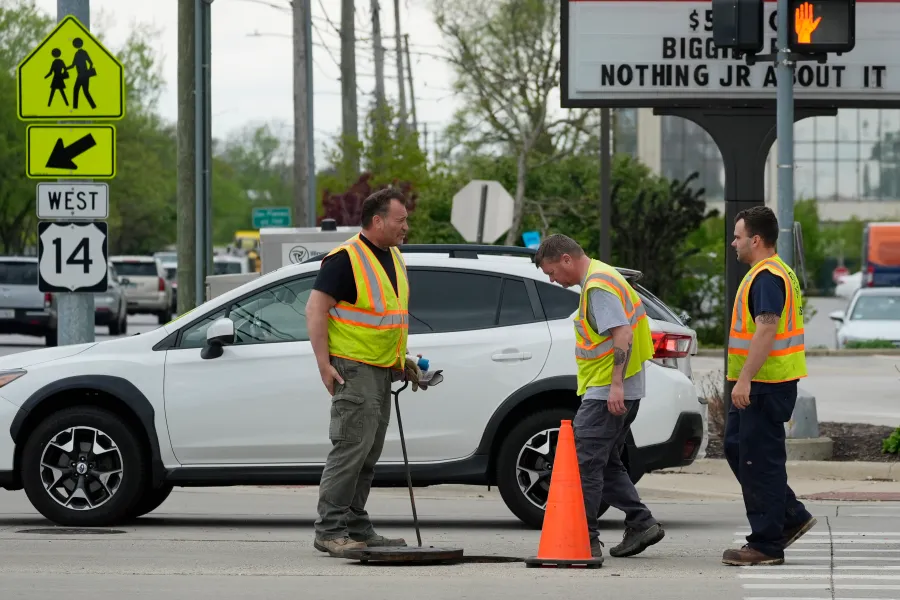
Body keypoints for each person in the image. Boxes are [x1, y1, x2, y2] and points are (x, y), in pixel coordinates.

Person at [533, 234, 665, 564]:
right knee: (605, 463)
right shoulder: (603, 275)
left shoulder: (598, 286)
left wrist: (616, 385)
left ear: (566, 259)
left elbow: (621, 333)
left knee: (583, 465)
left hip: (608, 391)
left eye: (551, 272)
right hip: (613, 389)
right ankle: (641, 523)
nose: (553, 279)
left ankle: (584, 539)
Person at [306, 187, 416, 557]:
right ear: (377, 220)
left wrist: (403, 360)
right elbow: (315, 310)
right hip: (353, 369)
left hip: (381, 370)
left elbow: (385, 319)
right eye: (401, 220)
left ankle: (355, 525)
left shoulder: (394, 257)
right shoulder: (345, 259)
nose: (406, 226)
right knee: (351, 448)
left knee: (367, 452)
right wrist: (324, 364)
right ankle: (330, 528)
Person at [722, 206, 817, 567]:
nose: (734, 243)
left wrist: (744, 378)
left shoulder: (766, 277)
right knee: (736, 447)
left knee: (758, 460)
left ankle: (766, 544)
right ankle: (790, 515)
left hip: (765, 384)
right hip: (764, 383)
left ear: (756, 240)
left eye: (738, 236)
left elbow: (766, 328)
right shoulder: (771, 273)